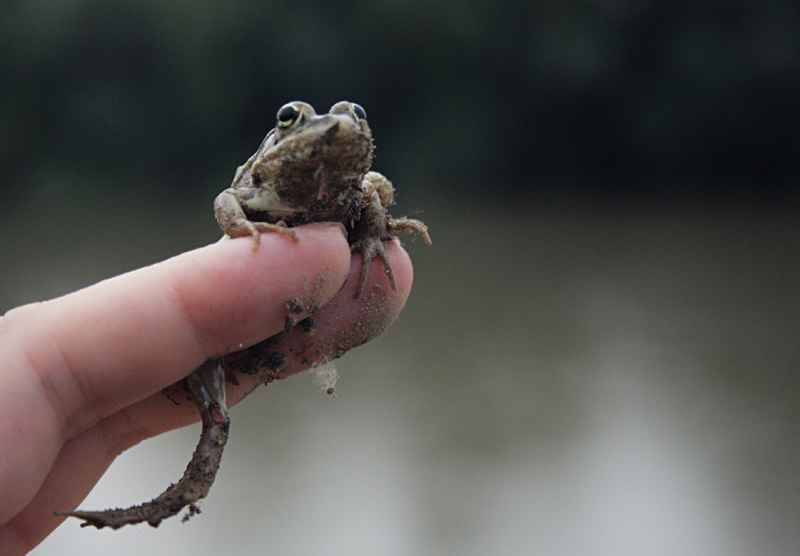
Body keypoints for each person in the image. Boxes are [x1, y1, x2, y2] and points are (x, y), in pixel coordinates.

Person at [0, 223, 414, 554]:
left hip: (290, 305)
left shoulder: (353, 181)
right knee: (214, 410)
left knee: (219, 413)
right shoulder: (272, 171)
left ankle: (181, 494)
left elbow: (374, 195)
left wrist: (376, 228)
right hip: (241, 303)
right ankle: (180, 494)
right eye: (292, 115)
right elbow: (228, 200)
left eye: (354, 115)